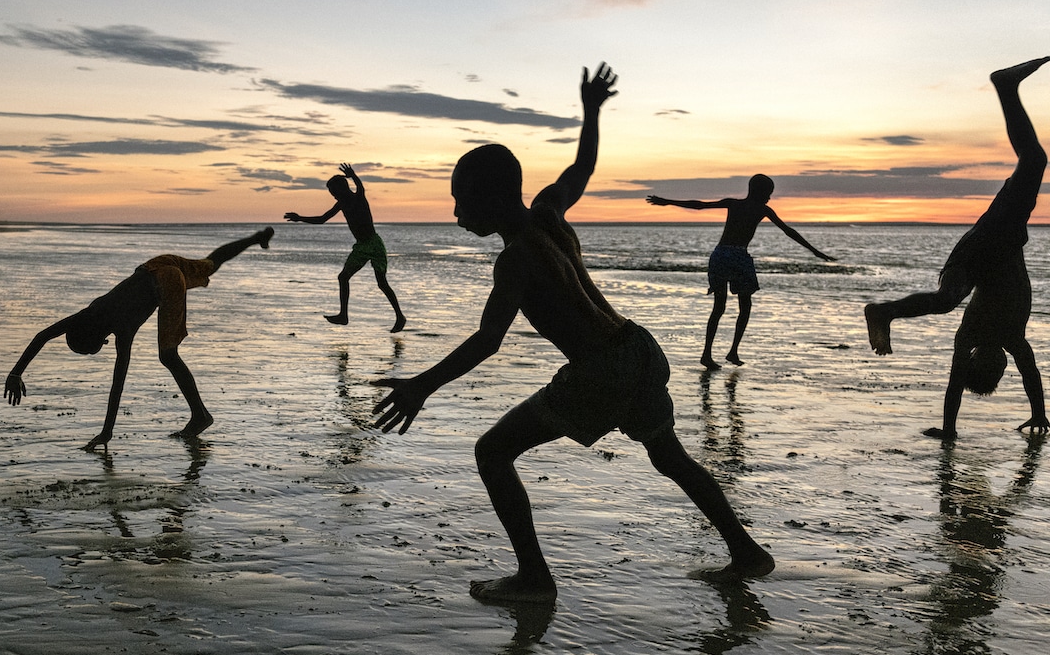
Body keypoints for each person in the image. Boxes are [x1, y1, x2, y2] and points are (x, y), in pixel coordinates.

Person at [372, 64, 774, 604]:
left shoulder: (514, 260)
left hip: (600, 370)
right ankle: (746, 551)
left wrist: (422, 384)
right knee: (669, 456)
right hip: (639, 348)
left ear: (489, 203)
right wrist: (590, 110)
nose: (454, 212)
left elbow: (488, 339)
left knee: (492, 453)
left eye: (460, 201)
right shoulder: (549, 210)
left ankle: (535, 579)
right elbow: (582, 166)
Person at [865, 57, 1050, 440]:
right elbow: (957, 385)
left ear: (994, 363)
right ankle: (885, 311)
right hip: (984, 251)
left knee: (1034, 159)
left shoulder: (1001, 338)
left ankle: (1005, 86)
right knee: (947, 298)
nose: (1006, 365)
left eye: (1000, 370)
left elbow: (1015, 376)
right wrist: (950, 429)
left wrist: (1040, 414)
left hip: (990, 243)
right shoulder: (984, 338)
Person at [4, 228, 274, 450]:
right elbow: (43, 336)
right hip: (156, 264)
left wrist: (106, 433)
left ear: (95, 338)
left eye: (94, 349)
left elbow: (117, 385)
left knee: (168, 355)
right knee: (209, 265)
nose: (102, 347)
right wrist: (15, 373)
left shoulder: (120, 330)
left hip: (165, 282)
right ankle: (255, 238)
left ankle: (200, 416)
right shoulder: (91, 312)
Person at [648, 177, 835, 369]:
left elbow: (701, 206)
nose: (769, 198)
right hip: (738, 257)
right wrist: (815, 252)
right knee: (743, 307)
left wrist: (668, 201)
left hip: (720, 255)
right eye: (768, 194)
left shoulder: (734, 204)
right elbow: (788, 231)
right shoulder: (762, 209)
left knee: (719, 308)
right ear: (760, 193)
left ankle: (710, 354)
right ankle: (731, 351)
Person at [284, 163, 406, 332]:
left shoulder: (358, 197)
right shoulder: (341, 204)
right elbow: (322, 219)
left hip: (374, 244)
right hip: (361, 246)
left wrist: (353, 175)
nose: (334, 196)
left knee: (382, 283)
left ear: (342, 189)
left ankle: (400, 317)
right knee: (343, 277)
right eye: (332, 194)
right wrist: (300, 218)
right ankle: (343, 315)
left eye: (334, 193)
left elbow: (360, 186)